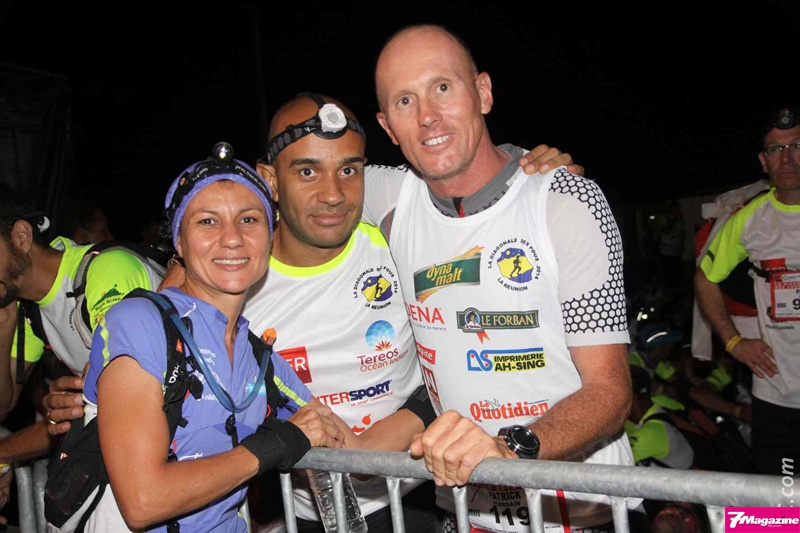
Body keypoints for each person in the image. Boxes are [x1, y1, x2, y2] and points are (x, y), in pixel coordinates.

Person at [364, 24, 636, 532]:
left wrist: (509, 449)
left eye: (442, 87)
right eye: (404, 101)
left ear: (483, 93)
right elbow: (299, 178)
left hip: (579, 511)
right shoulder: (389, 197)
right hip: (464, 511)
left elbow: (610, 393)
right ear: (387, 127)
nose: (427, 116)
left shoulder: (566, 201)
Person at [71, 142, 345, 531]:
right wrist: (279, 443)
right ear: (179, 242)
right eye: (207, 222)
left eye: (249, 219)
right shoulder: (139, 322)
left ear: (270, 236)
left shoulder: (260, 358)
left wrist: (424, 411)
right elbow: (143, 499)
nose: (232, 238)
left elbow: (350, 446)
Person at [694, 106, 800, 478]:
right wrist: (734, 342)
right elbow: (705, 278)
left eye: (796, 145)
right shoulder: (749, 219)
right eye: (776, 149)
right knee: (778, 502)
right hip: (776, 397)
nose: (787, 157)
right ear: (763, 160)